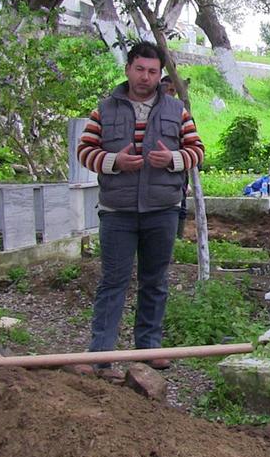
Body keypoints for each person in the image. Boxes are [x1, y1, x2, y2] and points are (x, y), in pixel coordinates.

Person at [76, 42, 205, 377]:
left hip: (162, 209)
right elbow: (85, 151)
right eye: (139, 69)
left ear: (159, 74)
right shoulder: (104, 110)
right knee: (112, 281)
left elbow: (197, 150)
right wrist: (113, 161)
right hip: (117, 211)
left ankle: (149, 348)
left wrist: (174, 159)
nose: (145, 77)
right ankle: (101, 354)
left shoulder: (177, 111)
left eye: (152, 71)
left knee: (155, 281)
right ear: (127, 69)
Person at [160, 75, 191, 238]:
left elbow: (194, 145)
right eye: (167, 89)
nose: (170, 93)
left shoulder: (181, 112)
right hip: (157, 172)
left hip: (178, 168)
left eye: (173, 90)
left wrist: (180, 161)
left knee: (181, 204)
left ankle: (177, 238)